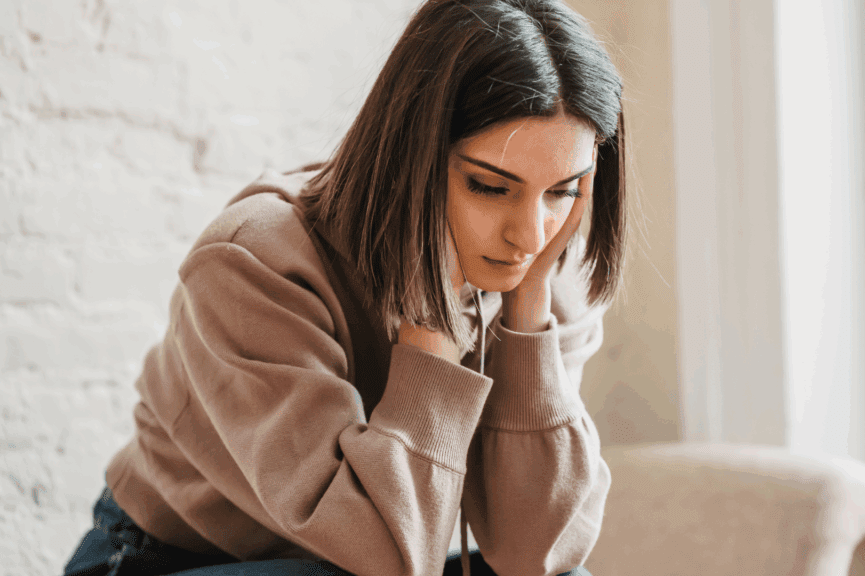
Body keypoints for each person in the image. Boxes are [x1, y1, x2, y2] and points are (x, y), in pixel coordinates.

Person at [62, 0, 627, 574]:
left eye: (563, 190)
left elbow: (537, 556)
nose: (531, 236)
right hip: (161, 559)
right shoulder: (254, 264)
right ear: (413, 153)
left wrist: (527, 316)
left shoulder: (546, 272)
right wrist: (429, 325)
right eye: (489, 186)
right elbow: (386, 557)